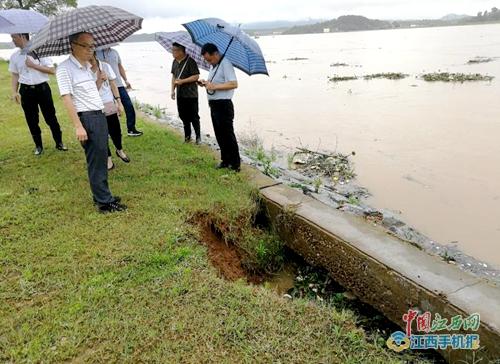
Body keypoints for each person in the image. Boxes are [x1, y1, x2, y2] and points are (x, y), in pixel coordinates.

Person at [56, 32, 126, 213]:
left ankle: (101, 195)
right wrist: (78, 125)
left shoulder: (87, 66)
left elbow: (90, 93)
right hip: (88, 118)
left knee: (101, 158)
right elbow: (67, 99)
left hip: (99, 114)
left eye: (92, 46)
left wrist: (99, 80)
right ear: (73, 45)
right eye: (85, 46)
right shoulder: (65, 68)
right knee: (96, 160)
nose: (90, 50)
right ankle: (104, 202)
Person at [9, 33, 67, 155]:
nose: (12, 40)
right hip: (26, 91)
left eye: (14, 37)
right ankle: (38, 146)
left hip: (43, 89)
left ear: (22, 36)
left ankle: (59, 142)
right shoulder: (15, 56)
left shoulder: (41, 51)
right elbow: (15, 75)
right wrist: (14, 92)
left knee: (50, 117)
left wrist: (34, 66)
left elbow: (52, 70)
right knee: (31, 119)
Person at [199, 43, 240, 172]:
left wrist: (214, 87)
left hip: (224, 105)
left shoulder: (225, 64)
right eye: (206, 60)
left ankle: (235, 164)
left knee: (227, 135)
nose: (208, 62)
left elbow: (234, 83)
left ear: (216, 54)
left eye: (209, 59)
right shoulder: (214, 66)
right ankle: (225, 160)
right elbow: (214, 83)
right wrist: (205, 83)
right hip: (214, 104)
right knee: (219, 134)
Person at [89, 52, 131, 171]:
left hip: (108, 102)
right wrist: (99, 80)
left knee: (115, 130)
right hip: (94, 105)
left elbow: (113, 84)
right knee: (101, 134)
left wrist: (119, 102)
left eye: (90, 56)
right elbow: (90, 93)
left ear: (95, 54)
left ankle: (119, 150)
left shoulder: (105, 66)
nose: (88, 59)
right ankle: (108, 158)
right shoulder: (84, 71)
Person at [96, 47, 143, 137]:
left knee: (129, 106)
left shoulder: (114, 52)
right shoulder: (96, 53)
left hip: (119, 84)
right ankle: (108, 131)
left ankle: (131, 129)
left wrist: (126, 80)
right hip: (105, 86)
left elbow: (120, 66)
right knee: (108, 111)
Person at [170, 42, 201, 144]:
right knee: (183, 115)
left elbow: (196, 76)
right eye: (172, 50)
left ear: (181, 51)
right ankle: (187, 137)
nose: (172, 52)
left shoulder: (190, 61)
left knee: (194, 116)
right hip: (180, 94)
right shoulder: (174, 61)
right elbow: (174, 77)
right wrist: (172, 90)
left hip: (191, 94)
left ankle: (198, 137)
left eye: (174, 50)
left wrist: (182, 81)